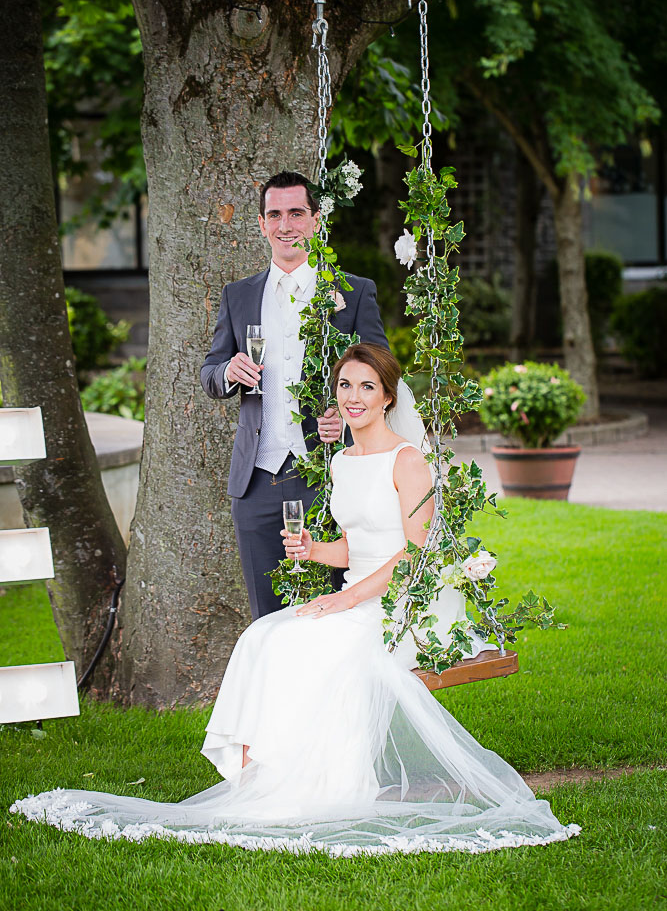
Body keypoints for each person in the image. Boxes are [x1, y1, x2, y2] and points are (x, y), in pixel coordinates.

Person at [13, 344, 580, 856]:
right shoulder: (341, 461)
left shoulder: (408, 460)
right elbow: (357, 545)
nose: (352, 398)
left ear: (387, 398)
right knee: (265, 635)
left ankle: (323, 780)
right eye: (344, 386)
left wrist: (345, 600)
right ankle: (260, 773)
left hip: (408, 602)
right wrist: (314, 549)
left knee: (318, 644)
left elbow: (412, 554)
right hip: (361, 591)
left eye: (366, 387)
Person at [200, 171, 388, 620]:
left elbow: (381, 373)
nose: (286, 225)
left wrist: (347, 415)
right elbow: (209, 373)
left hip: (329, 475)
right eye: (275, 215)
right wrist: (228, 370)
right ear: (262, 225)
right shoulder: (237, 295)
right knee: (267, 616)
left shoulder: (352, 292)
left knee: (331, 609)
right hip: (256, 480)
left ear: (316, 220)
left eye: (297, 213)